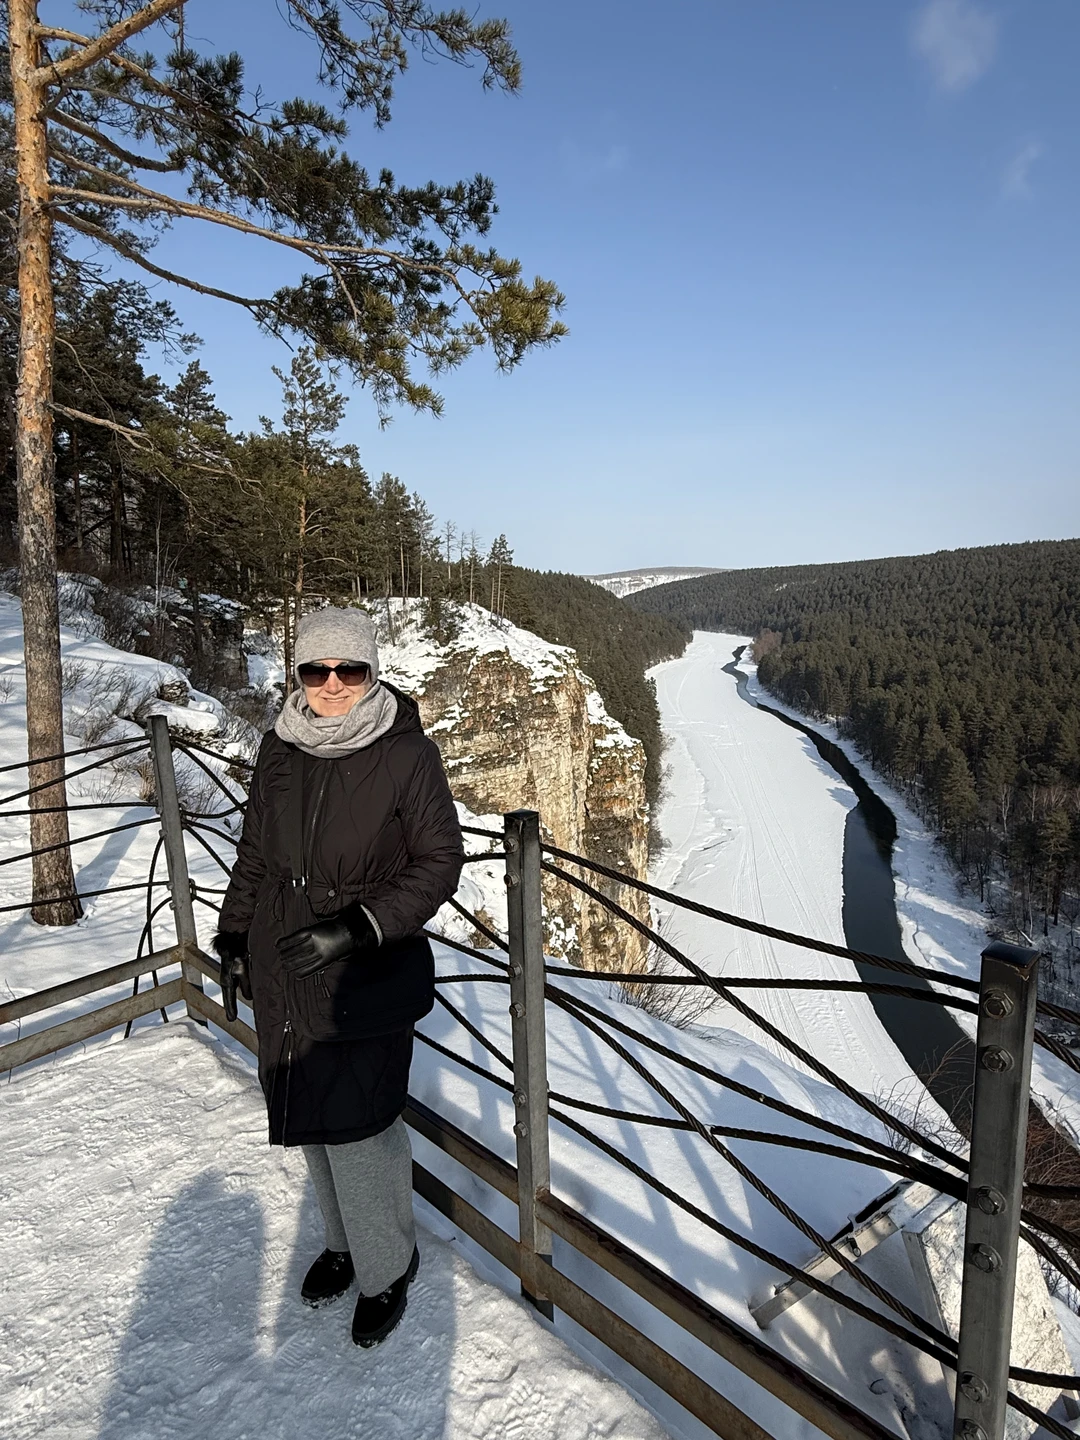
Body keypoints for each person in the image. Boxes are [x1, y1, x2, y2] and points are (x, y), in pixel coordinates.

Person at [212, 607, 463, 1347]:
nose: (331, 684)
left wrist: (358, 927)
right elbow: (255, 853)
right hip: (284, 964)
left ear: (371, 673)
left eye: (347, 670)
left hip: (360, 973)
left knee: (362, 1129)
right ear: (297, 675)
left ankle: (389, 1267)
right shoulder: (279, 749)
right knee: (311, 1121)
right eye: (315, 670)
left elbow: (438, 863)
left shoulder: (406, 755)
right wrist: (233, 932)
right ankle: (345, 1245)